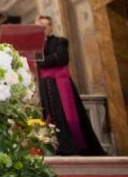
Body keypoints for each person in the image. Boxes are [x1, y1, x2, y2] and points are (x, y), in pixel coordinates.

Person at [35, 15, 105, 156]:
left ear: (50, 27)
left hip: (60, 85)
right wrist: (43, 58)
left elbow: (60, 58)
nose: (42, 30)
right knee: (48, 116)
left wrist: (43, 60)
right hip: (45, 85)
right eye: (38, 27)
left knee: (65, 115)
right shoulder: (36, 46)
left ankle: (70, 146)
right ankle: (54, 146)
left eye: (44, 26)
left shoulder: (61, 41)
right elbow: (40, 62)